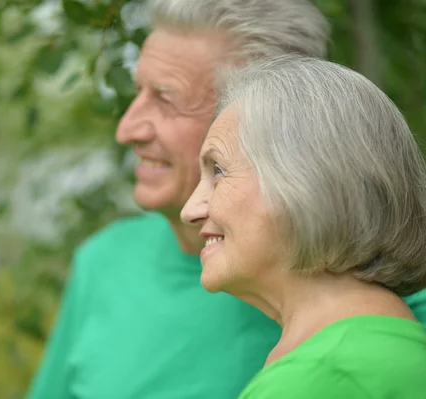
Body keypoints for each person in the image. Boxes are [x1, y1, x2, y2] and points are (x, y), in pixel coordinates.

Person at [27, 1, 426, 398]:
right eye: (138, 92)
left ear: (295, 127)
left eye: (167, 99)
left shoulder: (384, 304)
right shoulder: (105, 263)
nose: (127, 129)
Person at [181, 55, 426, 398]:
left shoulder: (319, 377)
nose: (190, 210)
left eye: (218, 170)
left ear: (306, 179)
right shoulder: (396, 349)